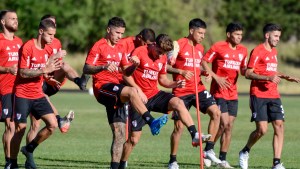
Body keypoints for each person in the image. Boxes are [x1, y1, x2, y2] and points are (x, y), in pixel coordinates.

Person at [83, 17, 168, 169]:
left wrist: (135, 65)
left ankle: (115, 167)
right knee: (132, 90)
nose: (120, 36)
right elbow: (86, 68)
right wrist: (103, 67)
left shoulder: (121, 48)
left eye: (122, 33)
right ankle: (150, 120)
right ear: (108, 30)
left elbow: (125, 72)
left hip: (117, 91)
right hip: (103, 88)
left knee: (120, 134)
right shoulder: (99, 46)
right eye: (117, 33)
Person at [119, 34, 205, 169]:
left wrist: (174, 84)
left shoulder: (163, 57)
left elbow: (162, 80)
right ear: (154, 44)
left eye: (163, 54)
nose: (160, 56)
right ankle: (122, 164)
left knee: (178, 103)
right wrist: (137, 90)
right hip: (138, 99)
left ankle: (194, 134)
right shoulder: (140, 51)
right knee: (133, 140)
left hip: (154, 94)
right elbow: (125, 75)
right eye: (159, 52)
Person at [238, 23, 300, 169]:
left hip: (274, 94)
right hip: (258, 95)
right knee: (262, 130)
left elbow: (272, 71)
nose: (278, 39)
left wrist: (285, 76)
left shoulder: (274, 52)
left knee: (279, 126)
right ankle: (245, 151)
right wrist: (267, 78)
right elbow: (248, 73)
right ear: (267, 35)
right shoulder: (257, 51)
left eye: (279, 36)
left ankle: (276, 163)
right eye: (276, 36)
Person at [25, 14, 88, 146]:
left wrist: (55, 65)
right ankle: (28, 156)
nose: (53, 28)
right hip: (37, 83)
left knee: (64, 65)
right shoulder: (34, 45)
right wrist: (54, 57)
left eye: (54, 25)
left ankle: (79, 81)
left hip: (51, 81)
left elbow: (57, 64)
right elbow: (38, 66)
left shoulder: (56, 42)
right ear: (42, 29)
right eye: (50, 25)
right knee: (35, 125)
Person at [167, 18, 222, 169]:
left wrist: (204, 73)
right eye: (200, 33)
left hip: (198, 88)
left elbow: (196, 67)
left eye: (204, 33)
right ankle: (172, 160)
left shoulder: (200, 48)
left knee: (216, 113)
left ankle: (209, 149)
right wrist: (181, 72)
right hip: (181, 90)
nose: (202, 36)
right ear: (191, 31)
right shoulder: (178, 44)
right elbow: (165, 67)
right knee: (179, 127)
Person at [9, 19, 63, 169]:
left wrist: (48, 78)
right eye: (50, 35)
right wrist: (43, 71)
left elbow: (42, 69)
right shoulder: (28, 47)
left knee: (53, 125)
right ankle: (12, 163)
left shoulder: (48, 49)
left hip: (38, 94)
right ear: (41, 32)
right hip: (22, 94)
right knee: (20, 128)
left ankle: (29, 149)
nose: (53, 38)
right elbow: (23, 72)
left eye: (54, 35)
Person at [202, 22, 248, 168]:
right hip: (219, 92)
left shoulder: (243, 50)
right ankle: (209, 150)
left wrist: (253, 71)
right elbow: (203, 61)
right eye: (236, 34)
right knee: (224, 123)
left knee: (229, 127)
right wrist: (215, 77)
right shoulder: (218, 47)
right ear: (228, 35)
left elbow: (243, 71)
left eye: (241, 35)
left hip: (233, 94)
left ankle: (221, 158)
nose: (239, 37)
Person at [0, 10, 23, 168]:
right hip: (4, 89)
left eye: (17, 19)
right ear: (3, 22)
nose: (16, 21)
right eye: (12, 19)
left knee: (19, 125)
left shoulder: (19, 41)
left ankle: (12, 161)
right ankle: (9, 162)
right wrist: (7, 70)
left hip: (19, 90)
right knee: (10, 126)